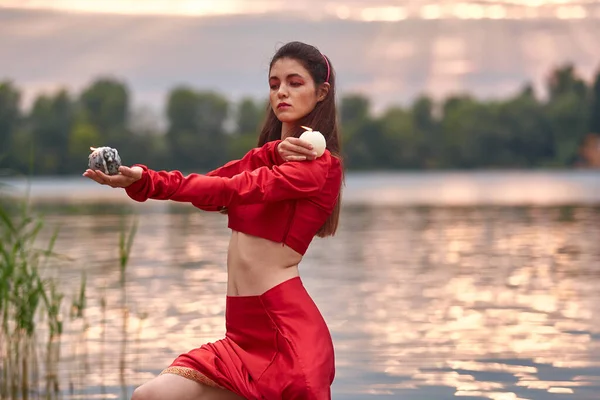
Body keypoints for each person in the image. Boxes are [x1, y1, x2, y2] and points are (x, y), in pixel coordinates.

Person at [84, 41, 343, 400]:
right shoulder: (263, 157)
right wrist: (139, 179)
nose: (281, 91)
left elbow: (231, 190)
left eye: (294, 82)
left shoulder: (321, 168)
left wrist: (146, 181)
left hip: (285, 334)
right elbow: (209, 189)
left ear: (321, 92)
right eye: (273, 83)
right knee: (151, 395)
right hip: (241, 332)